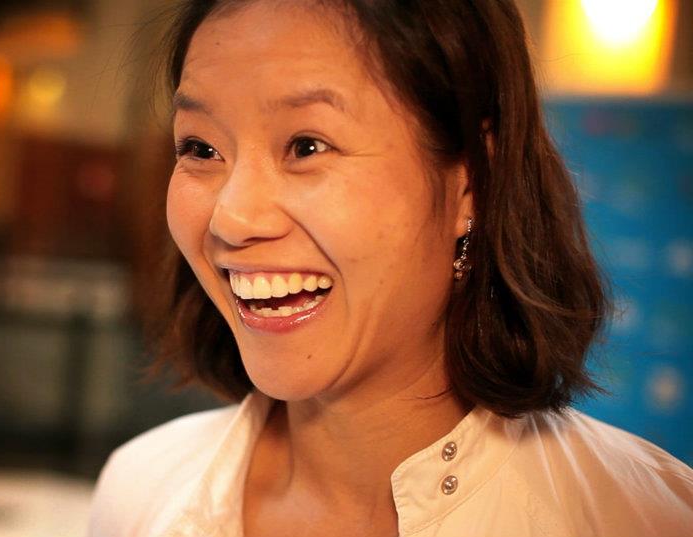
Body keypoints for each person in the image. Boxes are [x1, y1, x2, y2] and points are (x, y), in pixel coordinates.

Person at [88, 1, 693, 535]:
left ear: (472, 183)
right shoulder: (142, 488)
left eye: (306, 146)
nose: (232, 218)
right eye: (200, 148)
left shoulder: (643, 517)